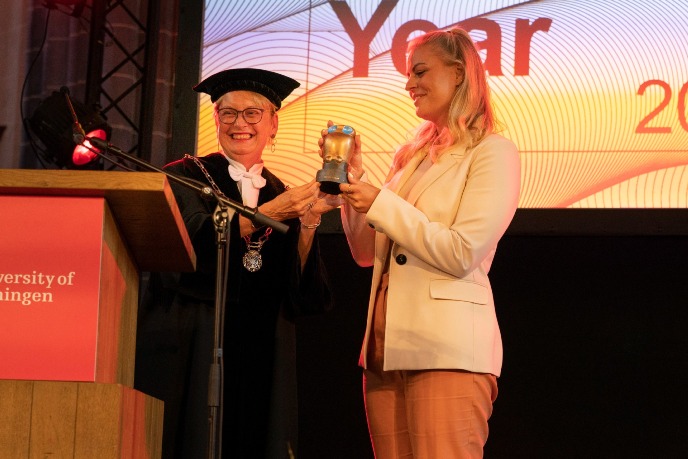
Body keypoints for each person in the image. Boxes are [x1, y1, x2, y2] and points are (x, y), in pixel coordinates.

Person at [330, 28, 520, 457]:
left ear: (457, 74)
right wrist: (354, 183)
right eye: (407, 74)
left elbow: (461, 251)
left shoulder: (493, 152)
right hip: (384, 351)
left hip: (446, 351)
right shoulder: (410, 157)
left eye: (420, 71)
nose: (409, 84)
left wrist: (381, 203)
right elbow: (365, 254)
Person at [134, 68, 336, 459]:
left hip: (263, 355)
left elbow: (303, 294)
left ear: (273, 123)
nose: (239, 123)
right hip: (195, 345)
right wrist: (271, 212)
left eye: (252, 113)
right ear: (215, 120)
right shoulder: (184, 176)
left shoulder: (282, 192)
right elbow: (190, 244)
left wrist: (310, 221)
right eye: (227, 113)